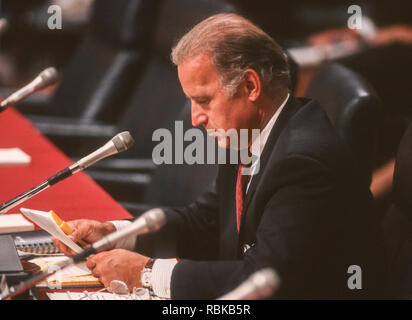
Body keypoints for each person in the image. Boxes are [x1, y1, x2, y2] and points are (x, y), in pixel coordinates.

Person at [53, 13, 386, 299]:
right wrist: (114, 233)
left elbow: (263, 281)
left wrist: (148, 273)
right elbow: (205, 223)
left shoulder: (302, 162)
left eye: (204, 100)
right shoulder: (249, 133)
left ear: (250, 87)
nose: (195, 118)